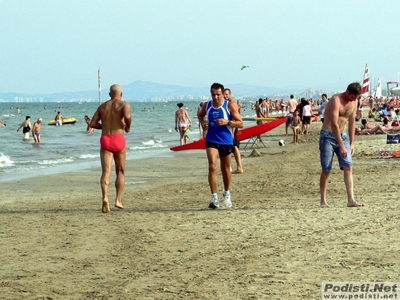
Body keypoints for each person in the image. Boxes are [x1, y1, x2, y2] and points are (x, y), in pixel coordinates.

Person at [197, 83, 244, 209]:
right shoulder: (207, 105)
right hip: (211, 139)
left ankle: (227, 193)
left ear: (223, 94)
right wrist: (203, 124)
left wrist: (227, 122)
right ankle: (214, 198)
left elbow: (241, 123)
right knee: (212, 166)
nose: (215, 97)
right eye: (213, 94)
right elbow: (200, 115)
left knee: (225, 169)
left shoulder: (229, 105)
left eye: (218, 94)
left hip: (226, 141)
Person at [319, 82, 364, 208]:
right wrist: (341, 145)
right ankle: (323, 200)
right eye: (353, 97)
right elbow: (333, 123)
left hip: (343, 135)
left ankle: (351, 199)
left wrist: (352, 142)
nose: (355, 100)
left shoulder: (354, 102)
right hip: (328, 135)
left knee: (348, 166)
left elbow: (352, 123)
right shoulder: (336, 100)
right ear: (348, 92)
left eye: (357, 98)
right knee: (326, 169)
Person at [89, 84, 132, 213]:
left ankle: (105, 198)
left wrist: (106, 126)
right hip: (118, 138)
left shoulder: (102, 107)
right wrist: (127, 127)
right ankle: (118, 200)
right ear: (121, 94)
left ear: (109, 94)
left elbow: (92, 124)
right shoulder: (124, 105)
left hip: (106, 139)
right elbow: (128, 116)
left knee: (106, 172)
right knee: (120, 171)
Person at [223, 88, 243, 174]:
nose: (225, 96)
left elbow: (236, 118)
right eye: (224, 94)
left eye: (227, 94)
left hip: (232, 127)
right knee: (233, 147)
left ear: (230, 94)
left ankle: (238, 167)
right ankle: (230, 167)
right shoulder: (228, 104)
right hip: (230, 127)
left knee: (234, 147)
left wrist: (233, 131)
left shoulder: (232, 104)